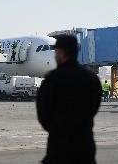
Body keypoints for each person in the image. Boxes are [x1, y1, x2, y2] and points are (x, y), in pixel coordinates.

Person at [36, 33, 102, 164]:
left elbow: (43, 115)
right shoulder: (92, 79)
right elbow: (94, 108)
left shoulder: (52, 79)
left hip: (60, 145)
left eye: (56, 52)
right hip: (85, 143)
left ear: (61, 53)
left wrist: (58, 128)